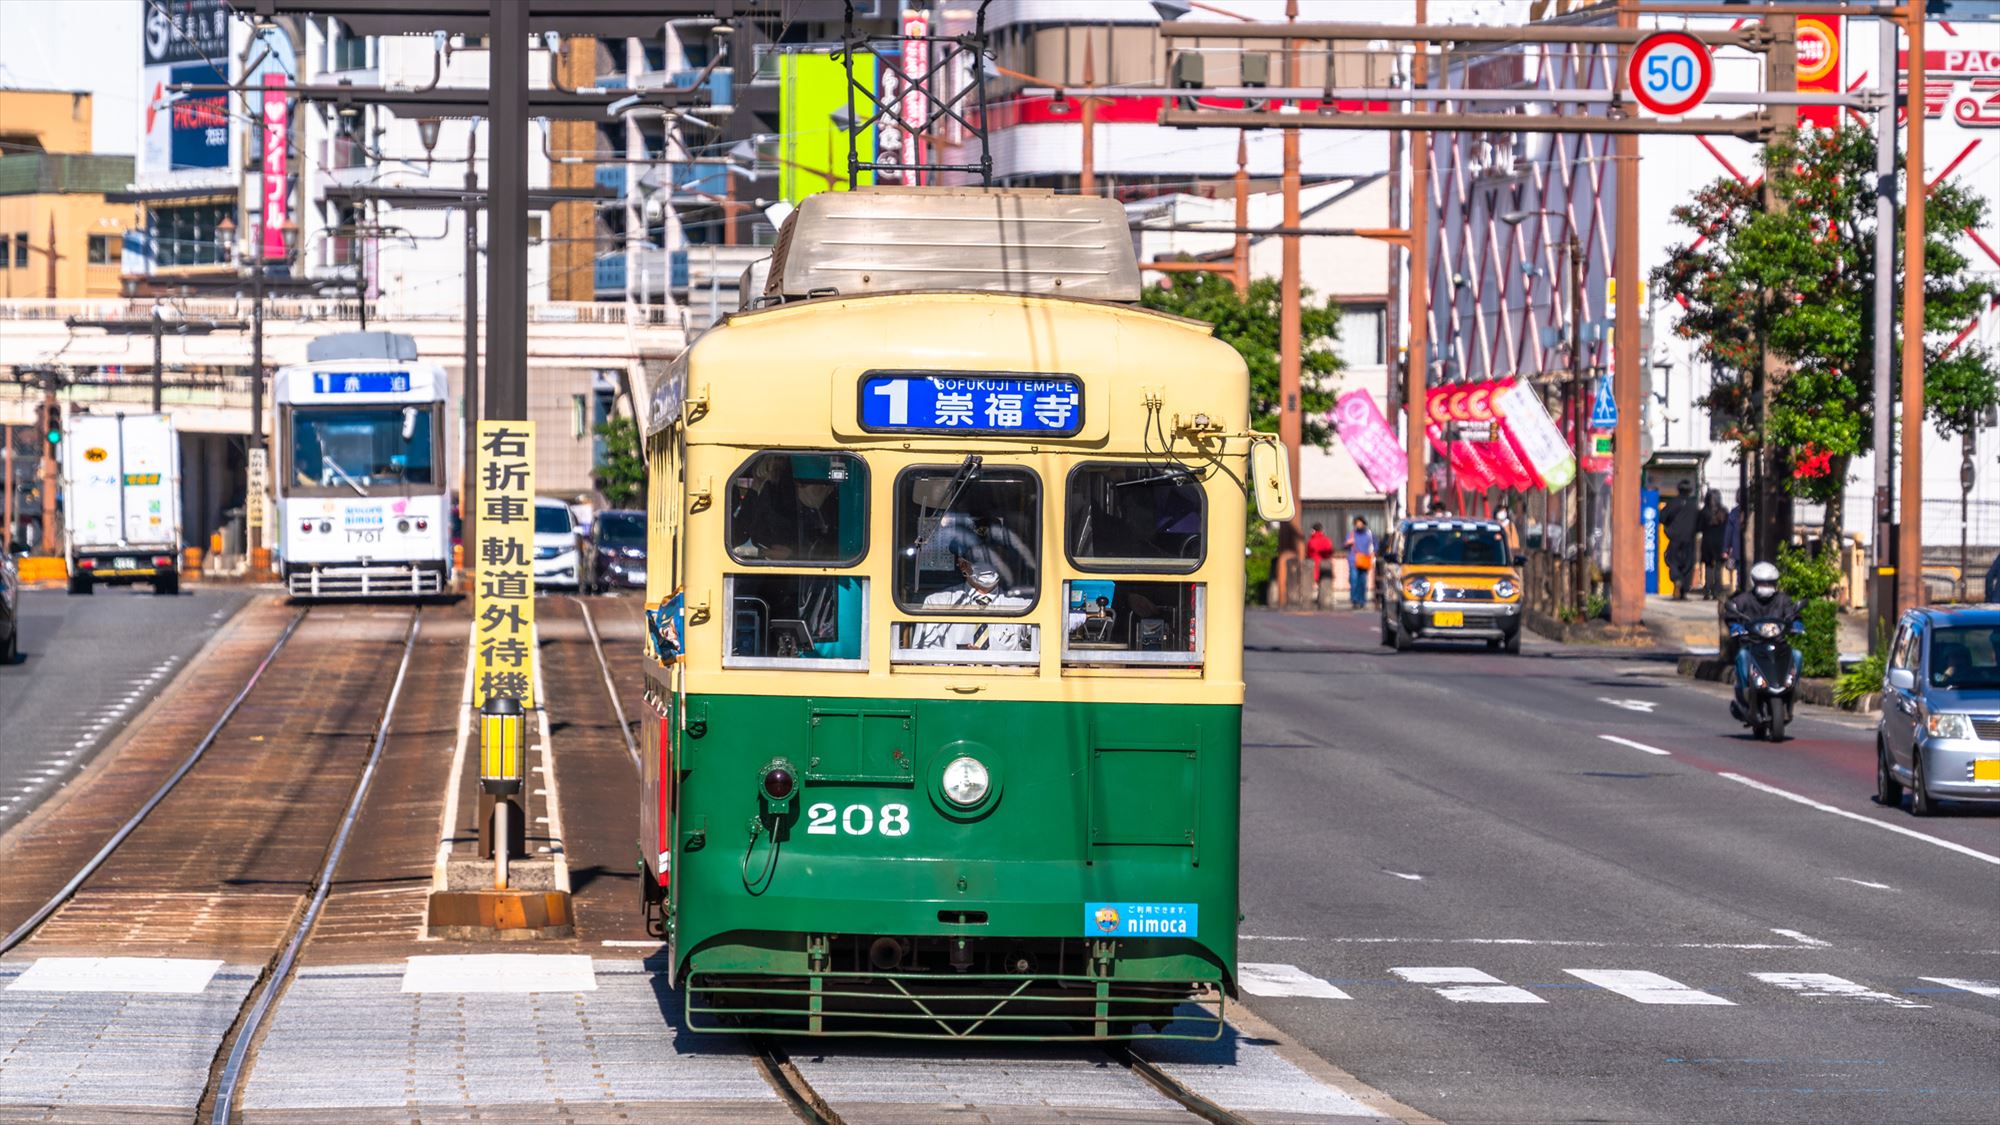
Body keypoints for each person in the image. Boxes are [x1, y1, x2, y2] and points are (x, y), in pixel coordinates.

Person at [915, 549, 1035, 652]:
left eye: (994, 556)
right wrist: (959, 660)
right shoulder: (937, 603)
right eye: (979, 557)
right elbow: (922, 653)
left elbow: (1039, 655)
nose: (988, 562)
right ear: (962, 565)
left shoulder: (1025, 606)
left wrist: (990, 662)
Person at [1724, 560, 1802, 714]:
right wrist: (1736, 627)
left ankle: (1792, 688)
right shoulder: (1743, 600)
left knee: (1797, 655)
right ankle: (1745, 690)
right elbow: (1731, 614)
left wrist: (1797, 625)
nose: (1766, 587)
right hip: (1752, 644)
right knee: (1741, 656)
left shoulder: (1783, 600)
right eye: (1762, 583)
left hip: (1778, 645)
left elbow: (1794, 615)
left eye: (1770, 583)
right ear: (1754, 582)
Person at [1662, 481, 1700, 600]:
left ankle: (1677, 580)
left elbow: (1662, 517)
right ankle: (1683, 591)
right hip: (1689, 538)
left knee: (1673, 561)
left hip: (1675, 538)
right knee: (1688, 564)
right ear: (1689, 491)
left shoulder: (1673, 503)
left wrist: (1669, 525)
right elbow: (1699, 521)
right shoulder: (1693, 504)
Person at [1698, 490, 1727, 600]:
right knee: (1718, 568)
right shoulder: (1724, 512)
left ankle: (1707, 590)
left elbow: (1699, 528)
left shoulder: (1704, 512)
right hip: (1720, 542)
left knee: (1708, 567)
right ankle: (1717, 591)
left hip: (1707, 541)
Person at [1343, 517, 1376, 609]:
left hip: (1365, 560)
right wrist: (1348, 543)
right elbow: (1344, 545)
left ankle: (1362, 601)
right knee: (1354, 580)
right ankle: (1355, 600)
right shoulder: (1351, 534)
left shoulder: (1369, 534)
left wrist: (1373, 553)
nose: (1359, 525)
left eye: (1360, 523)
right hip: (1353, 560)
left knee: (1363, 581)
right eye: (1357, 523)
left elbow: (1375, 546)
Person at [1306, 523, 1336, 595]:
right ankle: (1324, 598)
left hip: (1313, 564)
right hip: (1325, 564)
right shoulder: (1326, 540)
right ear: (1321, 530)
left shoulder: (1310, 541)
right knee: (1324, 583)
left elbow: (1308, 553)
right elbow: (1330, 551)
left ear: (1313, 530)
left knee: (1313, 582)